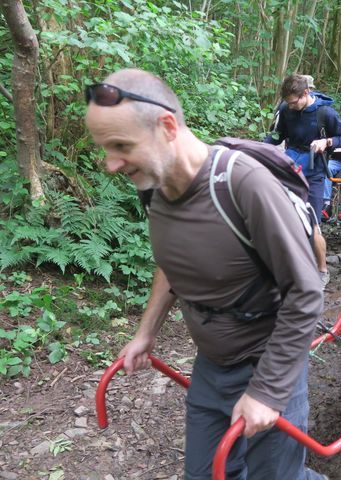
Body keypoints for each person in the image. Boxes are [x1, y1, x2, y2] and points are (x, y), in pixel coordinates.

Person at [85, 69, 327, 480]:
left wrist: (266, 393)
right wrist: (147, 331)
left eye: (121, 146)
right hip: (212, 367)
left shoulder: (243, 185)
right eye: (106, 149)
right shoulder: (154, 186)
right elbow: (172, 260)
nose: (110, 164)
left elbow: (305, 293)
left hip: (267, 363)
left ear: (166, 126)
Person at [264, 74, 341, 288]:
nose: (290, 106)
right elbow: (277, 135)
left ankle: (322, 270)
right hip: (290, 168)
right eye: (288, 102)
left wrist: (326, 141)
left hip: (315, 171)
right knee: (283, 217)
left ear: (306, 94)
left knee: (312, 223)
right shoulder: (285, 110)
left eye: (294, 102)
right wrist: (261, 148)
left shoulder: (325, 113)